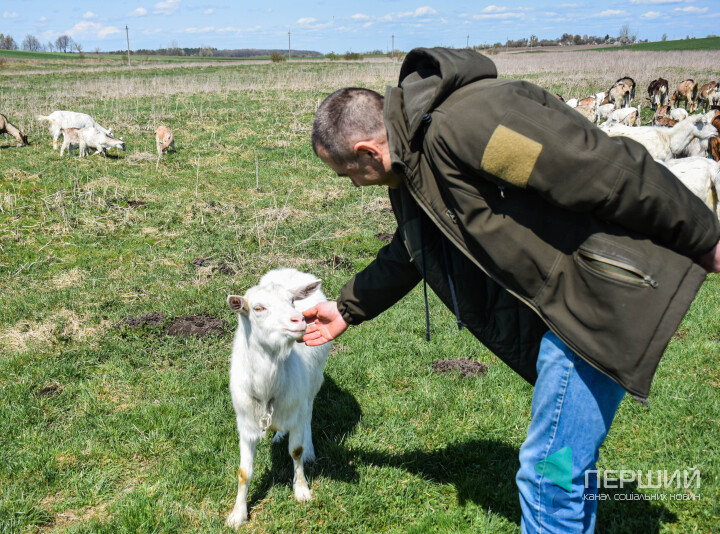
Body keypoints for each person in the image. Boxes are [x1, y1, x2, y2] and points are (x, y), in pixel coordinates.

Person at [302, 47, 720, 533]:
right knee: (563, 469)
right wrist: (347, 308)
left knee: (548, 476)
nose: (354, 185)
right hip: (570, 308)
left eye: (347, 175)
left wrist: (703, 236)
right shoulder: (414, 166)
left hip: (595, 300)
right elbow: (415, 247)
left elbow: (595, 167)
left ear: (366, 153)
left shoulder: (469, 125)